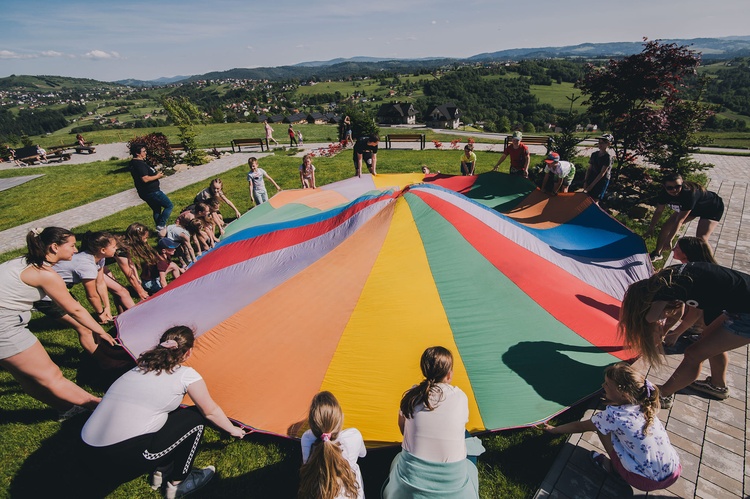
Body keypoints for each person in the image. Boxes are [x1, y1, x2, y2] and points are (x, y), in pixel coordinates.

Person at [81, 326, 246, 498]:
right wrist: (233, 430)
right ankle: (178, 484)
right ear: (188, 353)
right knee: (195, 418)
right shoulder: (186, 375)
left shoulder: (139, 367)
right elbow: (210, 411)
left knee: (169, 415)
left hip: (86, 453)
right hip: (122, 462)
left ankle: (162, 468)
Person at [0, 227, 115, 417]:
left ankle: (67, 409)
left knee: (27, 378)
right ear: (54, 247)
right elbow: (75, 309)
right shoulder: (44, 273)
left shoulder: (24, 261)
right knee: (52, 376)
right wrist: (101, 331)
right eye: (71, 245)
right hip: (5, 329)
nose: (76, 250)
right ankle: (104, 408)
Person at [618, 262, 750, 408]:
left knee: (694, 354)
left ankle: (662, 395)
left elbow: (650, 318)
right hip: (741, 303)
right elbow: (680, 311)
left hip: (746, 312)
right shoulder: (671, 277)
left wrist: (656, 330)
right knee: (708, 337)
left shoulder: (665, 290)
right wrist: (669, 332)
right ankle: (717, 386)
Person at [542, 363, 681, 492]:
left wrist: (554, 430)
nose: (603, 385)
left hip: (645, 481)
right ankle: (624, 465)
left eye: (607, 384)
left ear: (623, 393)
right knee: (608, 426)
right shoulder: (643, 403)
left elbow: (581, 426)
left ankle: (613, 468)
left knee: (600, 426)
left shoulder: (614, 416)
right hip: (674, 471)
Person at [382, 346, 482, 499]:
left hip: (408, 490)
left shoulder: (411, 396)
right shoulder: (460, 397)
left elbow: (403, 429)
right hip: (454, 490)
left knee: (397, 461)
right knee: (465, 436)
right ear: (449, 375)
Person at [39, 231, 121, 354]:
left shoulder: (99, 259)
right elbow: (91, 295)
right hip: (45, 297)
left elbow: (100, 283)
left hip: (60, 290)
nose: (116, 248)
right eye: (114, 247)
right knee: (84, 327)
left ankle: (101, 350)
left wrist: (107, 308)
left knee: (88, 322)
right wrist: (100, 312)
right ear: (103, 250)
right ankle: (100, 359)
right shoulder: (86, 265)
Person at [298, 391, 366, 499]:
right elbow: (363, 454)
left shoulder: (306, 438)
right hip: (350, 493)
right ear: (340, 419)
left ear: (311, 424)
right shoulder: (354, 436)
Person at [644, 173, 724, 261]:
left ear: (682, 183)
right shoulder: (664, 194)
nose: (674, 190)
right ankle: (657, 253)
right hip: (693, 208)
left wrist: (670, 239)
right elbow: (659, 211)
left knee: (701, 239)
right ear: (664, 186)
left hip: (711, 207)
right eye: (670, 188)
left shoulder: (689, 193)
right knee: (666, 227)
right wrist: (650, 228)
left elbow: (679, 221)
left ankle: (711, 264)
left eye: (677, 186)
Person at [661, 237, 717, 348]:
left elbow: (696, 313)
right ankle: (700, 330)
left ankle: (701, 329)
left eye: (676, 248)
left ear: (686, 254)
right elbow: (678, 306)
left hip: (732, 314)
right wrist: (664, 332)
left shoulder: (697, 275)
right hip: (714, 311)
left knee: (706, 350)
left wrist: (676, 333)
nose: (673, 250)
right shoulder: (688, 270)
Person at [129, 143, 173, 237]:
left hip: (145, 192)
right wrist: (157, 176)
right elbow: (145, 179)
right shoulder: (139, 164)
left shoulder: (134, 163)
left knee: (156, 209)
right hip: (152, 191)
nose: (146, 153)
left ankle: (159, 231)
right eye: (144, 151)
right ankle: (161, 226)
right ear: (137, 153)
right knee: (169, 205)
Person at [583, 134, 613, 204]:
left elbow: (602, 173)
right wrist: (586, 181)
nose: (600, 144)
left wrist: (591, 186)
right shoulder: (594, 154)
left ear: (608, 144)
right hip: (592, 176)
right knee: (587, 199)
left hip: (601, 180)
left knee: (595, 201)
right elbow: (589, 169)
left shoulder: (608, 157)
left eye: (602, 143)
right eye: (599, 142)